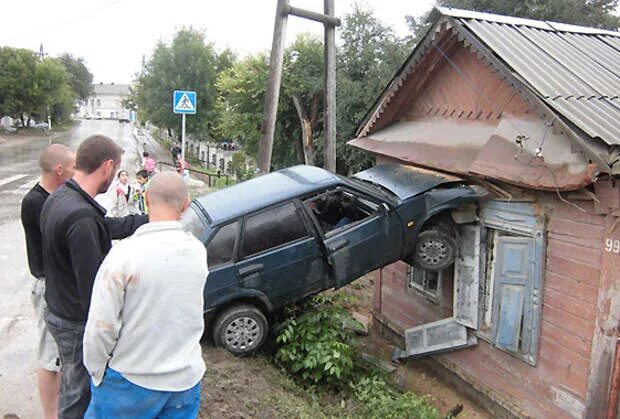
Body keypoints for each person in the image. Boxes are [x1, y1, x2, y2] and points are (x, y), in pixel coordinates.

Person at [40, 135, 148, 418]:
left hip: (58, 308)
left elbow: (103, 227)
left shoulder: (62, 198)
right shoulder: (82, 218)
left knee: (70, 386)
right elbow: (95, 291)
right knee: (78, 397)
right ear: (108, 166)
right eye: (116, 170)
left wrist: (145, 221)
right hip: (75, 322)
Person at [84, 171, 207, 418]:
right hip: (184, 382)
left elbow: (101, 326)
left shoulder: (123, 255)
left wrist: (96, 371)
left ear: (147, 200)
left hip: (131, 380)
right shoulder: (197, 251)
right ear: (185, 206)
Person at [20, 143, 75, 419]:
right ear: (59, 169)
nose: (78, 172)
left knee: (63, 357)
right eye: (74, 166)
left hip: (61, 285)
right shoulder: (36, 203)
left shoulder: (59, 195)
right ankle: (50, 415)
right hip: (48, 286)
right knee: (49, 357)